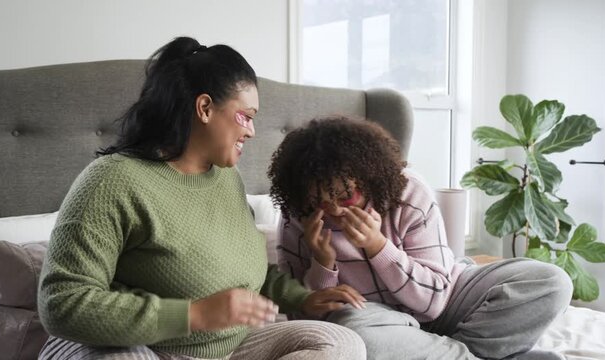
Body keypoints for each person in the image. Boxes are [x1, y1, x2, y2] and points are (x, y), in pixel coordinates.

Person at [37, 37, 367, 360]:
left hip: (232, 348)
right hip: (147, 348)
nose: (252, 131)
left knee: (341, 344)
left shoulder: (226, 178)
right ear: (205, 108)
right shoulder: (111, 182)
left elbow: (245, 273)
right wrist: (192, 315)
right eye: (247, 116)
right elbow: (62, 302)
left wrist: (303, 298)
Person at [269, 116, 573, 360]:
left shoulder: (408, 192)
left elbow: (434, 304)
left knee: (552, 282)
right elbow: (305, 321)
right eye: (321, 201)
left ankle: (452, 351)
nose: (334, 209)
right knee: (356, 339)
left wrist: (378, 247)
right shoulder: (298, 214)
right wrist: (322, 266)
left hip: (445, 298)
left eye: (346, 195)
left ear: (369, 178)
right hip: (373, 319)